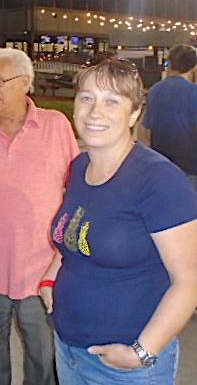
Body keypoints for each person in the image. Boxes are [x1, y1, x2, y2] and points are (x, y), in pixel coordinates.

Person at [40, 57, 197, 384]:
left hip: (125, 365)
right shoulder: (80, 167)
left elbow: (189, 281)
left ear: (135, 113)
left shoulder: (159, 180)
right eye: (87, 98)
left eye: (111, 101)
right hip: (68, 348)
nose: (95, 112)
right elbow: (77, 233)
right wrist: (50, 280)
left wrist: (141, 352)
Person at [0, 48, 79, 385]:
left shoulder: (56, 125)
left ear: (25, 82)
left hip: (43, 273)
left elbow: (78, 190)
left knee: (45, 364)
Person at [138, 44, 197, 190]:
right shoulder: (193, 92)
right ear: (194, 67)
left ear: (169, 63)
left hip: (161, 166)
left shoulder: (155, 90)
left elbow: (144, 133)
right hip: (190, 169)